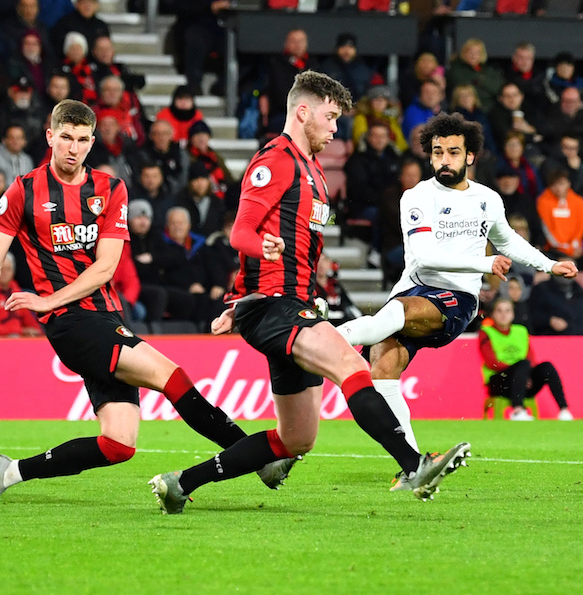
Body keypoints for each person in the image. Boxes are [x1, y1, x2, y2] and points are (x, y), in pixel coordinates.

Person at [149, 72, 472, 516]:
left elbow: (298, 245)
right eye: (330, 116)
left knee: (296, 439)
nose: (335, 128)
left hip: (288, 305)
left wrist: (235, 299)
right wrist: (256, 258)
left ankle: (180, 484)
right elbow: (241, 231)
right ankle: (414, 465)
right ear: (303, 112)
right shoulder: (275, 161)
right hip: (275, 308)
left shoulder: (315, 172)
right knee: (350, 363)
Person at [0, 100, 293, 510]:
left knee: (118, 444)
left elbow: (106, 266)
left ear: (92, 142)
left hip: (104, 314)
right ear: (49, 137)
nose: (72, 148)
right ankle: (258, 459)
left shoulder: (111, 189)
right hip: (70, 322)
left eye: (81, 140)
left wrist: (46, 299)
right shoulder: (21, 192)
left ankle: (8, 472)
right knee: (173, 377)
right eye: (65, 138)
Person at [336, 112, 577, 472]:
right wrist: (485, 263)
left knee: (394, 315)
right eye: (437, 152)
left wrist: (549, 264)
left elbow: (507, 239)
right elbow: (426, 255)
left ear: (470, 156)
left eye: (452, 152)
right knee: (383, 371)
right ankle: (415, 465)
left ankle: (325, 338)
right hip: (413, 290)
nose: (443, 160)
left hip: (455, 300)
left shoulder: (487, 199)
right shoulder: (416, 197)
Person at [480, 298, 573, 421]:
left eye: (507, 311)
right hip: (499, 382)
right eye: (499, 311)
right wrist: (519, 374)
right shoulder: (486, 332)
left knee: (546, 367)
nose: (503, 314)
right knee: (523, 365)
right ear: (493, 314)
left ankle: (564, 410)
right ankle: (518, 411)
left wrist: (523, 377)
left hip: (523, 382)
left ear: (513, 314)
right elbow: (492, 362)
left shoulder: (521, 331)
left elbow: (530, 357)